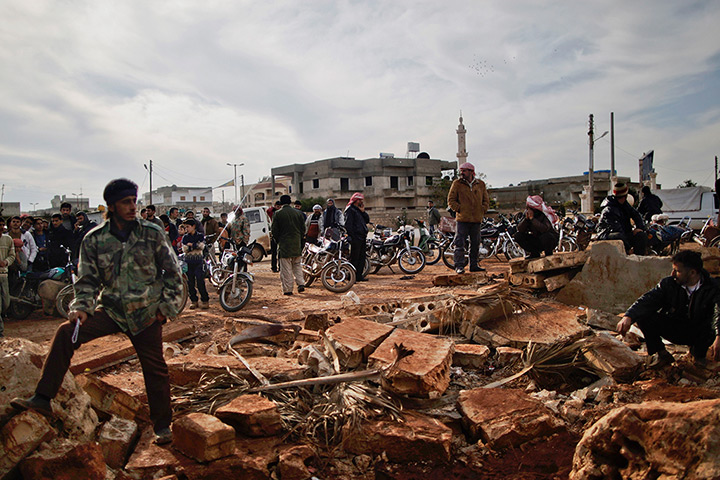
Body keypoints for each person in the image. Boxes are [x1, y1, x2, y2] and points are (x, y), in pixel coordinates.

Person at [10, 178, 184, 445]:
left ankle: (162, 425)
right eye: (126, 202)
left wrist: (165, 309)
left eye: (133, 201)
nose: (132, 207)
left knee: (155, 369)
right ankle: (42, 398)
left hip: (146, 312)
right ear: (111, 206)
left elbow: (173, 272)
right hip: (111, 309)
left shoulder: (152, 232)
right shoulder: (95, 239)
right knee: (67, 333)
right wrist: (81, 308)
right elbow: (87, 281)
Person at [617, 250, 720, 368]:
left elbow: (719, 313)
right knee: (645, 316)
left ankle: (699, 355)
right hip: (676, 328)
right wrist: (628, 316)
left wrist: (719, 336)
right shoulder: (668, 284)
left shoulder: (714, 287)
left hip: (702, 333)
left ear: (692, 272)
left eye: (678, 271)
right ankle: (661, 354)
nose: (673, 274)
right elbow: (649, 299)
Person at [447, 162, 490, 274]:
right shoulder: (457, 184)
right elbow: (451, 200)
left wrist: (482, 210)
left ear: (471, 172)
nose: (462, 173)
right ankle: (459, 266)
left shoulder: (480, 184)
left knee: (475, 243)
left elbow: (486, 200)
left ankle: (474, 265)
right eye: (461, 170)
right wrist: (459, 209)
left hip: (476, 220)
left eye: (464, 170)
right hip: (462, 219)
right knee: (460, 243)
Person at [596, 183, 647, 255]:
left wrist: (639, 228)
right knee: (619, 236)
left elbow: (636, 215)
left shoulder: (625, 205)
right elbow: (616, 228)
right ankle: (628, 253)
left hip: (622, 232)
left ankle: (639, 259)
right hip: (606, 234)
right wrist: (628, 247)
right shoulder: (609, 209)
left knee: (641, 235)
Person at [271, 195, 306, 295]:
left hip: (284, 245)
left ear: (281, 203)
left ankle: (288, 289)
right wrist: (299, 239)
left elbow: (274, 231)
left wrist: (278, 241)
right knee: (297, 265)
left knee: (286, 269)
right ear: (290, 202)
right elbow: (303, 229)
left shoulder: (277, 214)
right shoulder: (298, 213)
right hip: (296, 244)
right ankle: (301, 283)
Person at [182, 219, 209, 309]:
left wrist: (191, 245)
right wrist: (193, 246)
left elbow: (201, 246)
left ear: (193, 226)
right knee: (190, 283)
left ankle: (205, 300)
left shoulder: (200, 236)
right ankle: (194, 300)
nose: (186, 229)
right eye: (185, 227)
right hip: (189, 262)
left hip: (198, 262)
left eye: (188, 227)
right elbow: (184, 249)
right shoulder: (185, 237)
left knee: (200, 281)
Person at [344, 193, 370, 282]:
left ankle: (359, 276)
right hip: (356, 237)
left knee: (362, 257)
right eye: (359, 200)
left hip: (362, 237)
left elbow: (367, 220)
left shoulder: (359, 210)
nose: (361, 202)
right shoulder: (350, 210)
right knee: (354, 258)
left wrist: (363, 212)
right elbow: (348, 225)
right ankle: (352, 277)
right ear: (355, 200)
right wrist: (352, 236)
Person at [0, 223, 15, 335]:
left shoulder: (7, 239)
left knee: (6, 302)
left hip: (4, 274)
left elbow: (12, 255)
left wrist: (5, 262)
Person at [267, 201, 281, 273]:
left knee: (280, 253)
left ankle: (280, 266)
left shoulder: (281, 213)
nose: (279, 208)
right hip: (274, 235)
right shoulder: (272, 213)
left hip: (280, 235)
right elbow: (268, 210)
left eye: (279, 206)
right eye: (277, 206)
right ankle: (274, 267)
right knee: (274, 252)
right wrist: (273, 208)